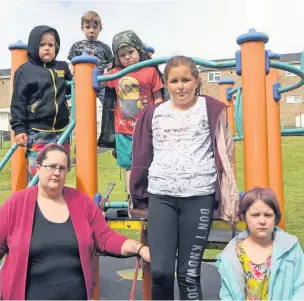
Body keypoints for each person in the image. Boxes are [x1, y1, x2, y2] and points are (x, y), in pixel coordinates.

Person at [129, 55, 239, 300]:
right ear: (166, 84)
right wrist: (138, 193)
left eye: (186, 80)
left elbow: (226, 153)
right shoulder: (153, 113)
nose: (180, 86)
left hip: (198, 196)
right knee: (160, 271)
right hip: (162, 196)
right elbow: (141, 154)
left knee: (189, 275)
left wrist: (228, 195)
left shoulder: (211, 109)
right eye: (174, 80)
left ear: (196, 81)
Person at [0, 143, 150, 300]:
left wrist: (139, 248)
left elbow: (105, 237)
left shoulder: (81, 202)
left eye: (62, 168)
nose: (56, 173)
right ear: (38, 168)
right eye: (51, 166)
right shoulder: (17, 204)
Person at [100, 30, 164, 201]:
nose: (127, 57)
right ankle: (132, 197)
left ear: (139, 51)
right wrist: (89, 70)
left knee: (148, 162)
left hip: (146, 128)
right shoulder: (117, 73)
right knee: (129, 165)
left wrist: (156, 119)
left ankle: (151, 195)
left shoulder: (150, 71)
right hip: (124, 129)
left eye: (130, 52)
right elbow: (98, 82)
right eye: (122, 55)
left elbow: (158, 97)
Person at [216, 187, 304, 300]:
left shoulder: (290, 248)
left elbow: (301, 287)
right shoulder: (231, 255)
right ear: (243, 217)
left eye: (268, 215)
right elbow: (227, 295)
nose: (262, 221)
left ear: (276, 217)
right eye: (255, 215)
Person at [10, 25, 72, 179]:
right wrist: (19, 129)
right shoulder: (26, 71)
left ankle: (57, 200)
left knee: (60, 170)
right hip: (37, 131)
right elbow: (18, 102)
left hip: (62, 130)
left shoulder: (62, 67)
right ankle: (36, 201)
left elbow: (71, 90)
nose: (47, 48)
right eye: (42, 44)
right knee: (38, 172)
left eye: (51, 45)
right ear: (33, 46)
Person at [67, 11, 113, 104]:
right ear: (82, 28)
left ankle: (108, 118)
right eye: (87, 27)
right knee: (78, 106)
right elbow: (71, 66)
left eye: (95, 27)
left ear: (100, 29)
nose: (91, 30)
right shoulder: (77, 45)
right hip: (81, 83)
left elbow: (110, 67)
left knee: (110, 103)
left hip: (100, 83)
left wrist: (106, 80)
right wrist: (72, 77)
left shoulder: (105, 47)